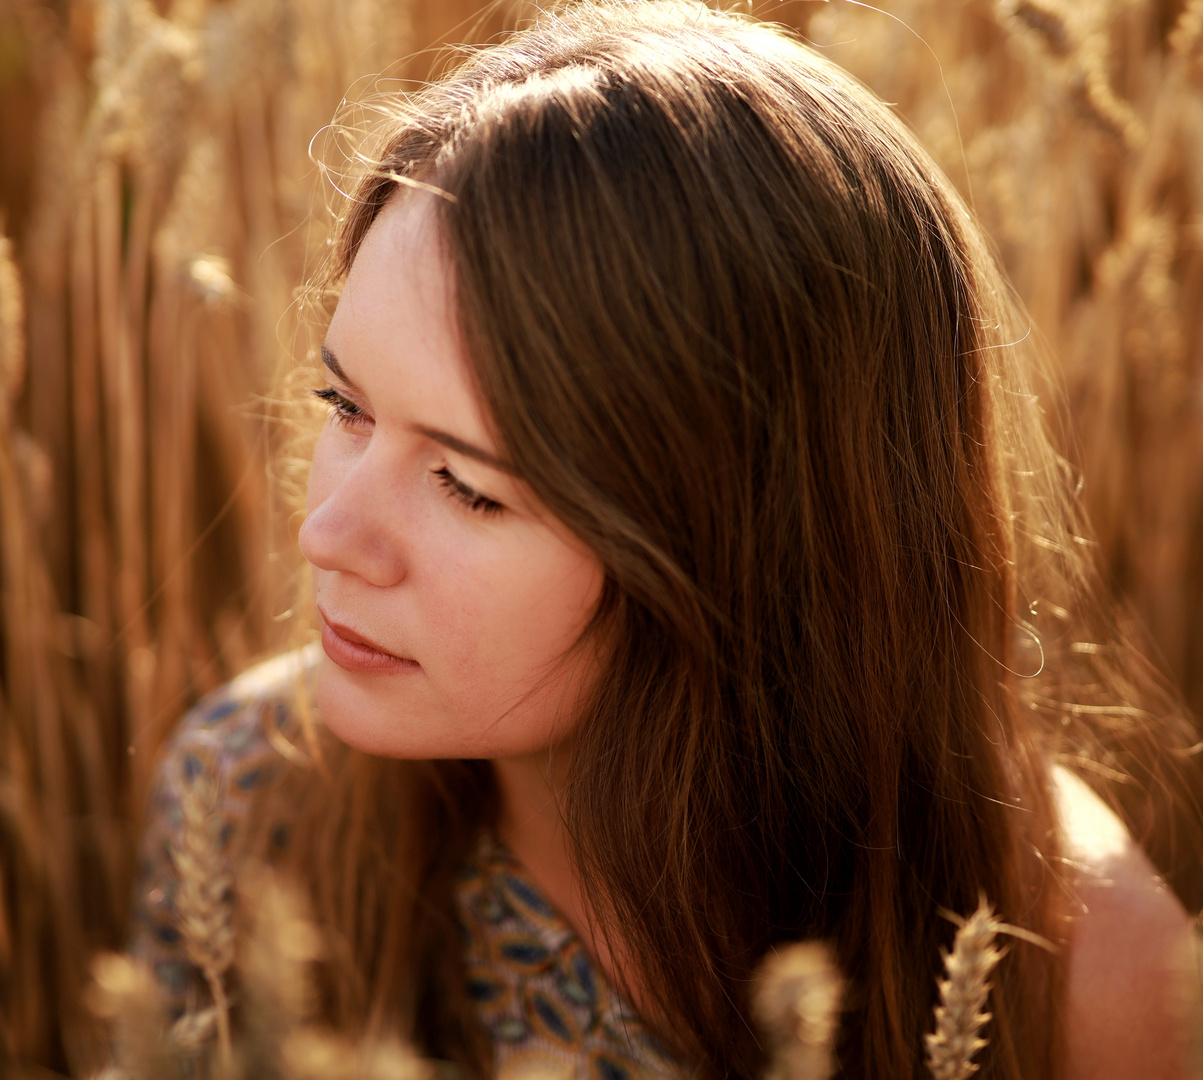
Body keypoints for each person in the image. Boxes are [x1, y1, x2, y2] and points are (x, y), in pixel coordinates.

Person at [129, 3, 1203, 1078]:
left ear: (744, 543)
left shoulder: (1078, 972)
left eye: (467, 487)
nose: (327, 533)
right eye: (346, 405)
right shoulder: (251, 798)